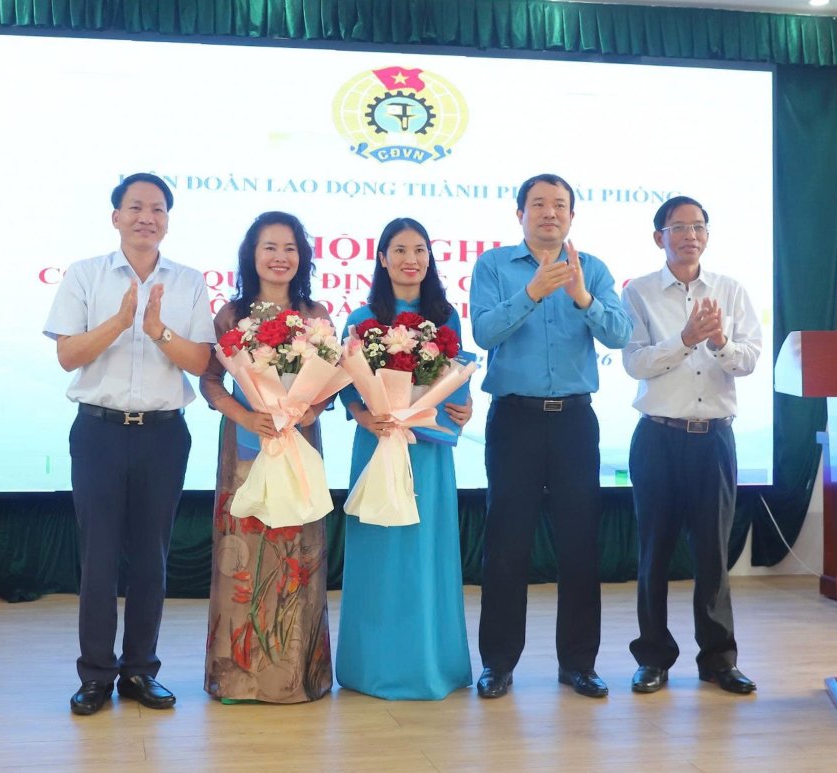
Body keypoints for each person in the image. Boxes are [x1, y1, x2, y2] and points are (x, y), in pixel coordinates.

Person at [43, 172, 214, 716]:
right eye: (136, 207)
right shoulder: (86, 276)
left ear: (168, 219)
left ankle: (141, 671)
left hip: (163, 435)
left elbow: (203, 363)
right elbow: (68, 355)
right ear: (115, 216)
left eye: (158, 209)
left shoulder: (188, 281)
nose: (147, 217)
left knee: (151, 558)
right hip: (98, 431)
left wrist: (159, 329)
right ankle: (95, 675)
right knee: (97, 558)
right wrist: (120, 322)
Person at [470, 173, 632, 699]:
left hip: (574, 422)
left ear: (571, 216)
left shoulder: (596, 270)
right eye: (537, 204)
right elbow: (483, 332)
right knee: (506, 544)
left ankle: (579, 663)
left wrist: (581, 295)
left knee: (580, 544)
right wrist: (533, 292)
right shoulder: (494, 266)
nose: (549, 213)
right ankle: (497, 663)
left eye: (559, 205)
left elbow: (620, 335)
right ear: (519, 214)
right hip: (514, 419)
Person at [621, 196, 762, 695]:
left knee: (712, 555)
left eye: (698, 227)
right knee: (654, 553)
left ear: (708, 235)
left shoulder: (731, 290)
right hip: (658, 436)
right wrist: (684, 338)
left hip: (714, 440)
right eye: (678, 227)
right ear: (658, 236)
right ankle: (653, 658)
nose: (689, 235)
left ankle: (719, 661)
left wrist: (720, 341)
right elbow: (634, 362)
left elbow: (747, 360)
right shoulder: (638, 292)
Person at [199, 211, 335, 703]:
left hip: (298, 446)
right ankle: (239, 677)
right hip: (246, 445)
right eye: (269, 247)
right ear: (251, 256)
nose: (280, 257)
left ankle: (292, 676)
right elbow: (210, 381)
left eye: (290, 248)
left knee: (296, 553)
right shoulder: (231, 316)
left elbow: (332, 385)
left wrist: (308, 409)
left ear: (302, 257)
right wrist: (243, 414)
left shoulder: (316, 315)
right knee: (246, 558)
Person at [336, 217, 474, 700]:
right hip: (377, 445)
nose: (410, 259)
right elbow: (346, 387)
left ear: (430, 258)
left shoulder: (447, 316)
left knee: (423, 555)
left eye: (419, 249)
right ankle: (370, 666)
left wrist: (466, 407)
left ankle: (431, 664)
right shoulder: (359, 319)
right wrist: (361, 414)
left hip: (427, 450)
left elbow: (459, 384)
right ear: (381, 258)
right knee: (380, 550)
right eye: (399, 249)